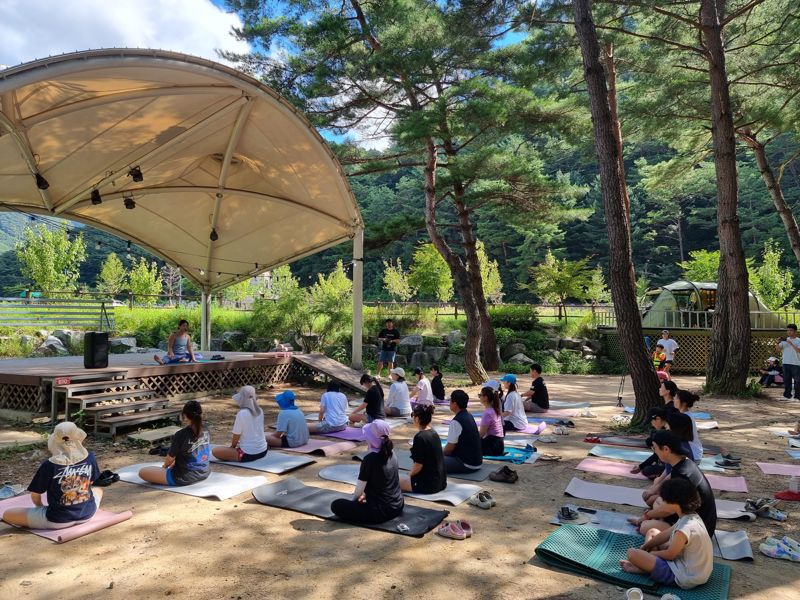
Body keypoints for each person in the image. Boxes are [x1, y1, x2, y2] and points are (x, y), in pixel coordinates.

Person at [1, 422, 103, 530]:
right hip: (87, 514)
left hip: (57, 520)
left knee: (7, 514)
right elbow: (91, 483)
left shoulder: (49, 465)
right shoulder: (90, 457)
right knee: (99, 490)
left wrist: (40, 508)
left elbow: (35, 495)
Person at [621, 478, 713, 590]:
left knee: (632, 553)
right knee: (653, 532)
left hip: (685, 576)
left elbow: (670, 555)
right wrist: (646, 546)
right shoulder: (690, 517)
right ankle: (646, 565)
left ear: (674, 504)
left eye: (663, 500)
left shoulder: (684, 529)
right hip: (691, 568)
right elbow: (665, 535)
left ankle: (643, 569)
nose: (660, 502)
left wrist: (652, 554)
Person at [632, 431, 717, 538]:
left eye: (655, 448)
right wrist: (652, 491)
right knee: (657, 501)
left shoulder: (682, 473)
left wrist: (646, 516)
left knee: (644, 526)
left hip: (699, 529)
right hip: (691, 518)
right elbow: (668, 478)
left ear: (666, 449)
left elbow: (668, 509)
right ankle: (660, 522)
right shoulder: (684, 461)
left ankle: (662, 527)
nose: (655, 452)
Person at [330, 420, 404, 524]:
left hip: (380, 512)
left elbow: (359, 491)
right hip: (398, 505)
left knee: (336, 505)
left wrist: (354, 504)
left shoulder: (369, 459)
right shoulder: (392, 453)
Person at [139, 400, 210, 486]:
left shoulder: (181, 434)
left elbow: (170, 458)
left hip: (184, 477)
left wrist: (164, 468)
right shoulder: (206, 429)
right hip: (204, 472)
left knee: (143, 472)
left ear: (184, 415)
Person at [211, 385, 268, 462]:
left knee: (215, 451)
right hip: (263, 451)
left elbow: (236, 435)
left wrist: (232, 447)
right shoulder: (260, 410)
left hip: (248, 454)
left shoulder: (242, 413)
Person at [400, 405, 446, 494]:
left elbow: (418, 465)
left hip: (429, 485)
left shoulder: (420, 437)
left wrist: (408, 476)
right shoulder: (434, 433)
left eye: (413, 415)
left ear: (417, 419)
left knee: (393, 480)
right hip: (441, 482)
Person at [443, 390, 483, 474]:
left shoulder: (456, 421)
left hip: (465, 463)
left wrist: (438, 454)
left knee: (429, 460)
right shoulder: (469, 416)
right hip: (477, 462)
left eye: (450, 401)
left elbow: (449, 449)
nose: (449, 403)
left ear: (455, 404)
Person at [631, 408, 668, 478]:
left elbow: (656, 455)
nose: (651, 424)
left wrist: (641, 466)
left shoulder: (665, 434)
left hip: (671, 465)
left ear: (658, 419)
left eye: (651, 421)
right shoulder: (663, 430)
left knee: (647, 470)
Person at [675, 389, 704, 461]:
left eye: (676, 398)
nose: (674, 400)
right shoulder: (686, 414)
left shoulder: (684, 417)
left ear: (684, 403)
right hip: (694, 453)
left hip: (692, 456)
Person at [478, 385, 505, 456]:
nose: (479, 397)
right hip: (499, 445)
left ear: (485, 398)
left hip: (492, 447)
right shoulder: (495, 409)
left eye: (480, 395)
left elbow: (481, 434)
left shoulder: (487, 413)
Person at [776, 324, 800, 400]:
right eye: (788, 330)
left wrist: (790, 343)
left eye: (791, 330)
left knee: (797, 381)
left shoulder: (798, 340)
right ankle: (787, 395)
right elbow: (778, 350)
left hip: (796, 363)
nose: (789, 332)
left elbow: (798, 350)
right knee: (787, 380)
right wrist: (777, 343)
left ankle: (797, 396)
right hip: (785, 363)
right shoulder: (784, 340)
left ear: (795, 331)